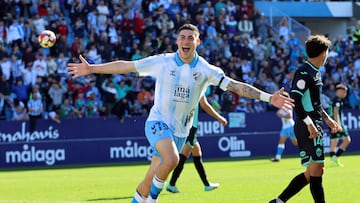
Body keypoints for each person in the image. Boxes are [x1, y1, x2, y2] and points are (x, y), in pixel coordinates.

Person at [68, 24, 294, 203]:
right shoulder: (163, 62)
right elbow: (125, 65)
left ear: (198, 41)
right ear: (177, 41)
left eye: (190, 37)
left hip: (180, 130)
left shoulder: (206, 70)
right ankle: (153, 201)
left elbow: (236, 86)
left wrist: (268, 97)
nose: (186, 41)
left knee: (151, 176)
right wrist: (92, 69)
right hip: (157, 122)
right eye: (182, 37)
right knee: (173, 159)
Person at [269, 34, 339, 203]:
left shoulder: (315, 72)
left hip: (315, 122)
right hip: (307, 124)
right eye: (327, 51)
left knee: (313, 172)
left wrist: (328, 119)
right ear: (323, 53)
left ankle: (278, 201)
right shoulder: (303, 71)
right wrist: (310, 124)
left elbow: (315, 103)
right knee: (317, 170)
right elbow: (296, 101)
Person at [166, 96, 227, 193]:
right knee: (183, 157)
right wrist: (219, 118)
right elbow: (205, 106)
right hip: (190, 127)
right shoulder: (198, 86)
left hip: (185, 126)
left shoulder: (185, 85)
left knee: (196, 153)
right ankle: (169, 183)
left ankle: (206, 184)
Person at [328, 84, 351, 167]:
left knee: (334, 142)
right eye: (344, 92)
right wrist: (338, 125)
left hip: (331, 123)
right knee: (347, 140)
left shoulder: (333, 99)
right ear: (340, 91)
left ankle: (333, 161)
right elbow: (335, 112)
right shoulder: (338, 100)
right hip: (336, 123)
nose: (345, 94)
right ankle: (336, 157)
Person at [271, 91, 298, 162]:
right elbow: (278, 113)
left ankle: (309, 150)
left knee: (296, 143)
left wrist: (281, 115)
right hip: (284, 128)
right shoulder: (281, 106)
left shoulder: (288, 105)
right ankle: (277, 157)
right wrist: (280, 114)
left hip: (291, 127)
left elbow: (290, 116)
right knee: (281, 141)